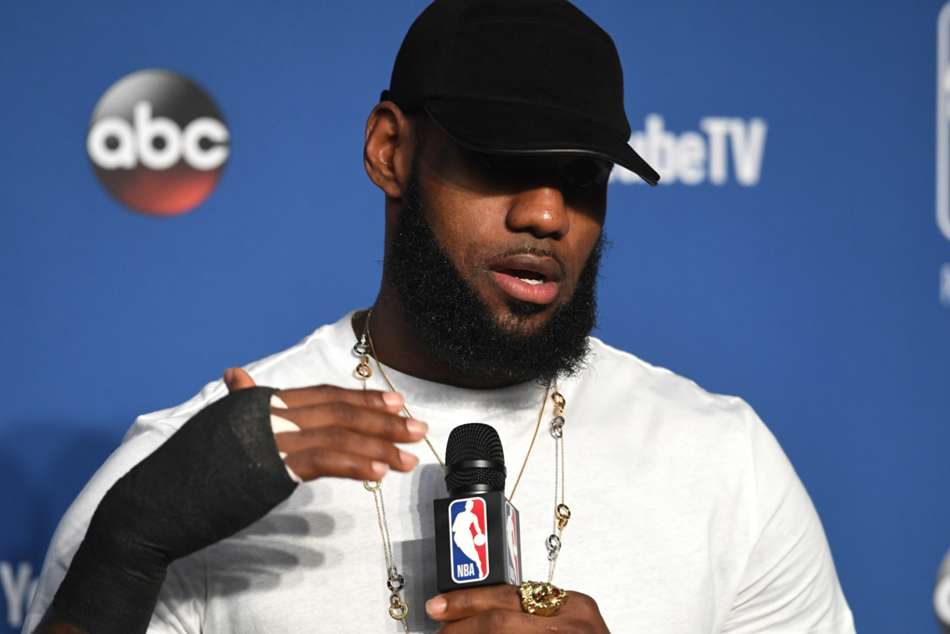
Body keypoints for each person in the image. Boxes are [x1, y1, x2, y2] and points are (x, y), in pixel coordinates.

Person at [26, 1, 856, 632]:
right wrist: (127, 546)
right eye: (501, 161)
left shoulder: (726, 463)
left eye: (582, 178)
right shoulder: (193, 471)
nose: (547, 214)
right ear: (390, 150)